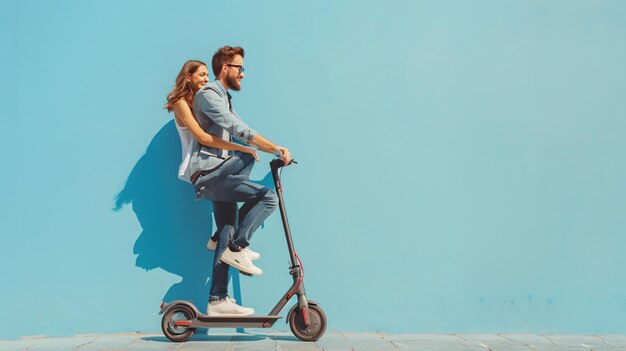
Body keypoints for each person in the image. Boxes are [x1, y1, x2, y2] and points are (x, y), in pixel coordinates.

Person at [189, 46, 291, 316]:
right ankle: (239, 246)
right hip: (210, 173)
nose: (243, 74)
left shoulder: (223, 98)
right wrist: (276, 148)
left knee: (227, 230)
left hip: (220, 175)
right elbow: (238, 129)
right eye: (240, 68)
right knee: (267, 194)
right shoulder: (209, 94)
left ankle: (217, 299)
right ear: (225, 69)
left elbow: (237, 124)